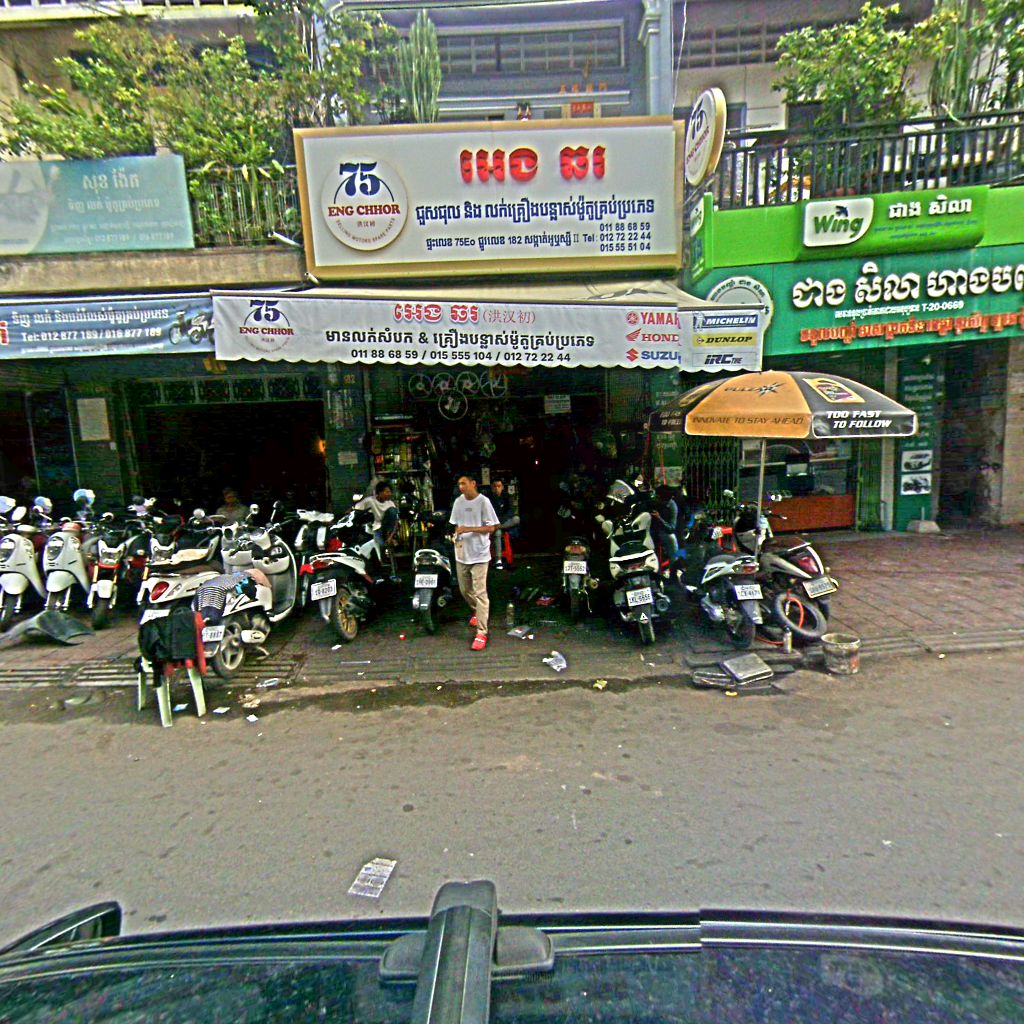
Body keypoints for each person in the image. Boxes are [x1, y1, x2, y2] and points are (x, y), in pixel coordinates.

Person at [450, 472, 498, 651]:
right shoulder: (458, 502)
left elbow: (491, 528)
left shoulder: (483, 502)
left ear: (473, 483)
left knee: (480, 593)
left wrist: (469, 529)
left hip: (480, 554)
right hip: (462, 553)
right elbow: (456, 525)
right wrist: (456, 535)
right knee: (464, 590)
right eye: (459, 484)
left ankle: (481, 632)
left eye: (464, 483)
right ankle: (478, 611)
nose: (461, 487)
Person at [356, 481, 399, 572]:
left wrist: (391, 536)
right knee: (380, 546)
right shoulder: (369, 500)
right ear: (379, 492)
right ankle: (383, 566)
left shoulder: (390, 503)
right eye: (387, 492)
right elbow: (357, 509)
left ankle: (390, 538)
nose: (389, 494)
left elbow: (395, 521)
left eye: (390, 492)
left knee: (392, 511)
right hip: (375, 527)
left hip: (386, 529)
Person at [488, 477, 520, 570]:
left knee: (516, 519)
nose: (497, 488)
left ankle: (497, 527)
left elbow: (511, 511)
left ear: (502, 487)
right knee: (498, 533)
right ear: (492, 487)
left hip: (503, 522)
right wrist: (495, 522)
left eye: (499, 486)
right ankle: (498, 560)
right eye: (494, 486)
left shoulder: (507, 496)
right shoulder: (488, 498)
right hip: (493, 522)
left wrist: (499, 523)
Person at [651, 484, 679, 569]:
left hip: (663, 531)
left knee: (671, 538)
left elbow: (671, 528)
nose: (657, 499)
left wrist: (659, 518)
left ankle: (674, 567)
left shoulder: (672, 506)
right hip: (652, 530)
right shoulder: (655, 502)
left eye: (659, 497)